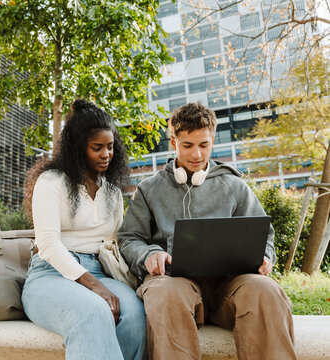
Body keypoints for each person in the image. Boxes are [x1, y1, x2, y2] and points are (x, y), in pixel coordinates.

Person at [118, 102, 296, 360]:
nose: (197, 155)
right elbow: (129, 238)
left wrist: (265, 256)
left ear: (213, 141)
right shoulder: (150, 189)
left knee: (265, 291)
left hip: (230, 285)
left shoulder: (235, 186)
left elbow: (264, 235)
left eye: (204, 145)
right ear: (173, 142)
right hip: (175, 284)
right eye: (187, 145)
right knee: (165, 294)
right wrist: (148, 255)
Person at [21, 99, 146, 360]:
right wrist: (96, 288)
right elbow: (48, 243)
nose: (106, 155)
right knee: (94, 310)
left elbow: (117, 242)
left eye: (110, 147)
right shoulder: (51, 181)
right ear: (79, 149)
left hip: (100, 270)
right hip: (49, 274)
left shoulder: (112, 192)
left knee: (135, 315)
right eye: (96, 148)